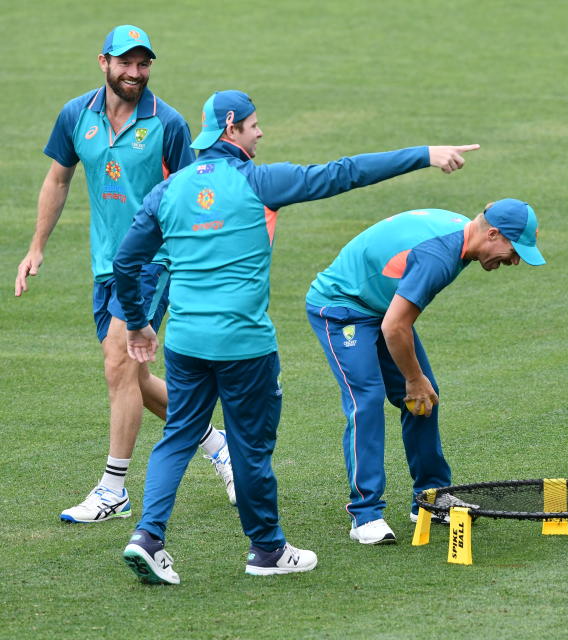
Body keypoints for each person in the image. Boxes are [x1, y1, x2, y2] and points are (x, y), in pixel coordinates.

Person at [113, 89, 480, 583]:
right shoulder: (259, 182)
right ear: (231, 129)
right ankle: (267, 551)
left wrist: (137, 323)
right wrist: (425, 155)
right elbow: (343, 173)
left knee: (177, 435)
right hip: (244, 346)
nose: (260, 132)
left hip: (184, 342)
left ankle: (147, 536)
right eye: (253, 125)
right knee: (249, 447)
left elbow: (125, 261)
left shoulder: (169, 190)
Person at [14, 25, 236, 522]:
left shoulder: (169, 124)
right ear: (104, 63)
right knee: (133, 375)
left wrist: (201, 261)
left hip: (153, 265)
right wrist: (36, 248)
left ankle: (113, 488)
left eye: (144, 64)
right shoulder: (77, 115)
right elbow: (58, 177)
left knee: (118, 362)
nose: (135, 73)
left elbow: (190, 196)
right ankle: (220, 447)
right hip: (105, 267)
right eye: (126, 63)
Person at [306, 199, 546, 545]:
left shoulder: (464, 235)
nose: (515, 260)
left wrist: (418, 383)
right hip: (341, 308)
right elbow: (395, 327)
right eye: (514, 249)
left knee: (424, 398)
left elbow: (395, 320)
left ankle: (431, 498)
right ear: (492, 233)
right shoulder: (440, 257)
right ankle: (365, 514)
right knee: (368, 402)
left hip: (380, 306)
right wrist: (413, 379)